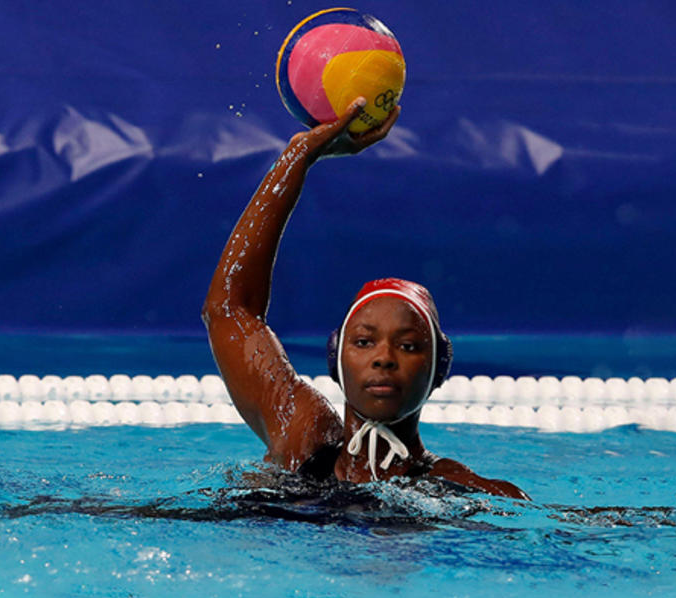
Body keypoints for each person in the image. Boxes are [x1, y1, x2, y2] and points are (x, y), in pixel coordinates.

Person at [202, 98, 528, 500]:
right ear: (336, 358)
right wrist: (298, 157)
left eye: (408, 346)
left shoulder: (458, 490)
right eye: (363, 341)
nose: (384, 357)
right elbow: (230, 309)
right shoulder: (302, 437)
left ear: (439, 367)